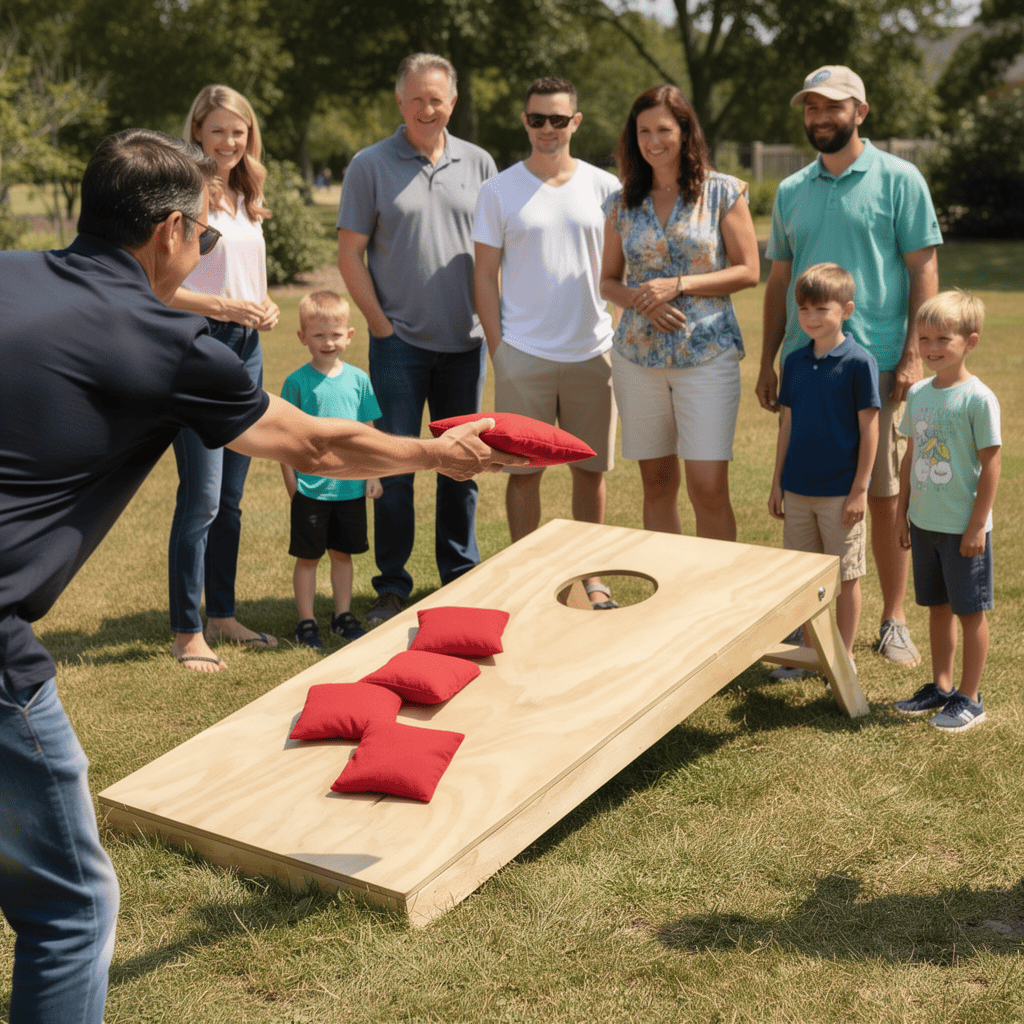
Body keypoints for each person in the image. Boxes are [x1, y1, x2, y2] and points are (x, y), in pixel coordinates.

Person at [0, 127, 523, 1024]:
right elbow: (316, 441)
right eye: (204, 235)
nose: (203, 251)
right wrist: (435, 454)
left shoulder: (8, 271)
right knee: (71, 906)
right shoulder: (164, 340)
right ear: (169, 231)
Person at [756, 65, 943, 667]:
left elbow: (923, 271)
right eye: (811, 109)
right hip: (806, 365)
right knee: (808, 492)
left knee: (882, 494)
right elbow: (778, 280)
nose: (819, 118)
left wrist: (914, 352)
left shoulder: (900, 179)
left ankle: (892, 620)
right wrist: (767, 358)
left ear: (860, 112)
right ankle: (809, 629)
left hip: (880, 360)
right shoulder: (790, 191)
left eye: (832, 108)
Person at [337, 53, 498, 625]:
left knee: (463, 466)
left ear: (452, 102)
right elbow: (350, 254)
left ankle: (459, 576)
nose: (427, 109)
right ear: (399, 103)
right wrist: (381, 326)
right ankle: (392, 586)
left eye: (438, 99)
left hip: (465, 344)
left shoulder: (480, 164)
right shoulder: (369, 165)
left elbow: (493, 256)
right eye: (416, 99)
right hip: (398, 346)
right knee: (397, 467)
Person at [472, 76, 621, 608]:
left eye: (559, 119)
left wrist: (614, 335)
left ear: (576, 122)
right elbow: (483, 275)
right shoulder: (499, 190)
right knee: (523, 474)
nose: (548, 129)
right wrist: (500, 348)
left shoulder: (607, 188)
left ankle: (592, 576)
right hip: (523, 356)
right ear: (525, 121)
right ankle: (528, 576)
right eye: (538, 119)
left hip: (592, 354)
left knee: (590, 472)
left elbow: (623, 268)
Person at [598, 84, 760, 541]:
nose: (653, 140)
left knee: (708, 488)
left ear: (685, 132)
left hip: (707, 359)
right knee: (657, 484)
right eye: (643, 130)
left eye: (664, 129)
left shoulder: (723, 192)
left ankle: (718, 603)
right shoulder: (621, 202)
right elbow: (608, 280)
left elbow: (749, 270)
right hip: (637, 360)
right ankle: (670, 595)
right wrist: (638, 299)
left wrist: (679, 285)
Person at [168, 84, 281, 671]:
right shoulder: (184, 196)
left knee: (232, 498)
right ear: (197, 133)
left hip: (248, 347)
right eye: (218, 131)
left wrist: (261, 307)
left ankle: (223, 616)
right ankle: (187, 633)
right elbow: (161, 288)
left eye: (238, 131)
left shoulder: (246, 191)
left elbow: (243, 277)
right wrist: (226, 309)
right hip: (200, 348)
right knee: (203, 498)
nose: (229, 142)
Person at [892, 291, 1001, 731]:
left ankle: (970, 697)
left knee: (969, 611)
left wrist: (977, 525)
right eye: (924, 338)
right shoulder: (918, 393)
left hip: (962, 529)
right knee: (937, 607)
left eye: (943, 338)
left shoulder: (978, 398)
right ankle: (940, 687)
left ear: (970, 342)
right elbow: (909, 456)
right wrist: (902, 514)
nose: (931, 347)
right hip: (923, 523)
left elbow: (992, 462)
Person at [768, 264, 880, 669]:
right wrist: (777, 482)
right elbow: (788, 424)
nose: (812, 318)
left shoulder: (858, 363)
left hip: (841, 495)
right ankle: (806, 654)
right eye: (804, 310)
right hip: (797, 489)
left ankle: (843, 657)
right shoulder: (794, 363)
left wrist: (860, 489)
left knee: (846, 576)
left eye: (822, 309)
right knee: (801, 578)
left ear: (846, 309)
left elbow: (871, 431)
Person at [281, 291, 383, 649]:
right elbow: (286, 439)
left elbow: (369, 433)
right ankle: (306, 622)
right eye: (318, 335)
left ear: (350, 335)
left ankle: (343, 616)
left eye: (336, 334)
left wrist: (373, 474)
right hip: (310, 490)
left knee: (343, 554)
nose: (328, 342)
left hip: (350, 489)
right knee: (308, 558)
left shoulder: (359, 380)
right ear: (302, 337)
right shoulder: (296, 383)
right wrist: (292, 483)